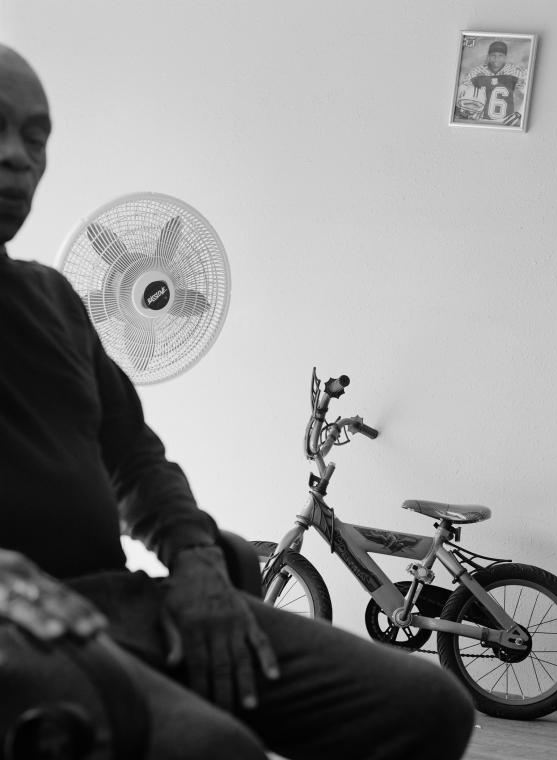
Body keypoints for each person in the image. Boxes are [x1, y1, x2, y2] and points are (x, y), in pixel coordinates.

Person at [0, 43, 475, 760]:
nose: (17, 156)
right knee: (214, 749)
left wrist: (192, 557)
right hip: (14, 626)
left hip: (118, 602)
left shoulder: (53, 300)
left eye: (36, 136)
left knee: (427, 703)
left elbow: (134, 456)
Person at [455, 40, 527, 126]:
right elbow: (462, 91)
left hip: (505, 120)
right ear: (488, 56)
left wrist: (520, 113)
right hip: (480, 120)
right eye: (493, 55)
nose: (496, 59)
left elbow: (528, 91)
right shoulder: (476, 72)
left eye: (500, 56)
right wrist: (465, 111)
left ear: (505, 57)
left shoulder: (515, 72)